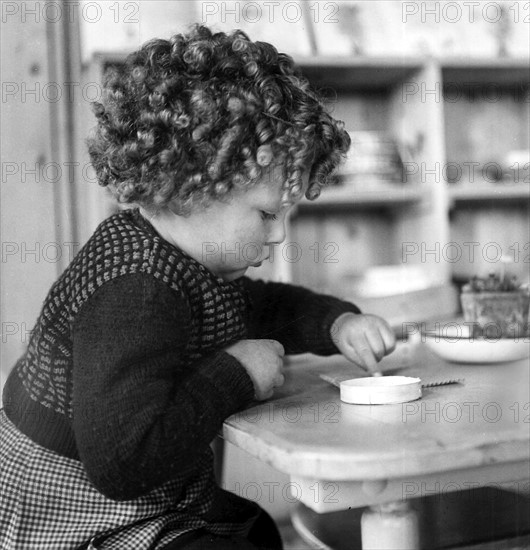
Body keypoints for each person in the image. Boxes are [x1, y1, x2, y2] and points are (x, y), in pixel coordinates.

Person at [0, 24, 396, 550]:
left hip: (147, 490)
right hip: (75, 512)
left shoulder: (188, 261)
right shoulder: (135, 290)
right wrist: (236, 373)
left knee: (256, 533)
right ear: (190, 186)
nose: (279, 234)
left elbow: (262, 306)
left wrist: (337, 322)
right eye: (266, 214)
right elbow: (122, 462)